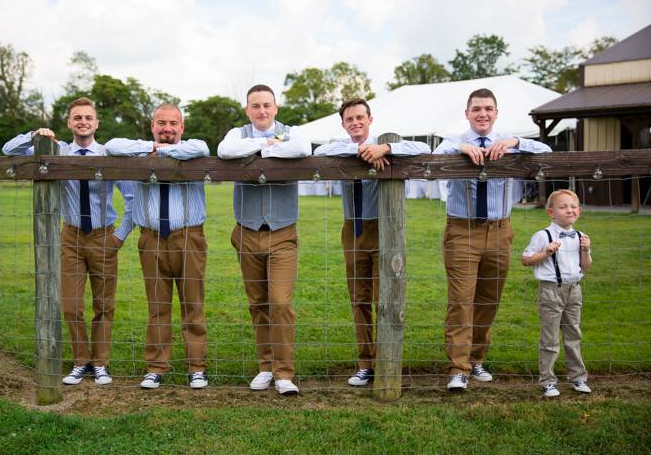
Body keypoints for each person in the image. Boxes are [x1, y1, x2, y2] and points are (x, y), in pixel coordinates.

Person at [2, 97, 134, 386]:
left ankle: (100, 364)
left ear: (96, 123)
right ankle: (80, 361)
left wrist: (119, 237)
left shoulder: (108, 155)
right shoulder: (57, 150)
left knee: (104, 305)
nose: (83, 122)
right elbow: (8, 150)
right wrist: (35, 135)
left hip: (103, 236)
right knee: (71, 305)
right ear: (69, 123)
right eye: (77, 118)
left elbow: (132, 198)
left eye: (88, 117)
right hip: (71, 236)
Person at [433, 88, 552, 392]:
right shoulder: (454, 142)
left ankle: (476, 360)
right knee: (461, 301)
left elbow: (547, 154)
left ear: (496, 113)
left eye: (488, 109)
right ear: (467, 113)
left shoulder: (510, 143)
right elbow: (435, 157)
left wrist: (515, 142)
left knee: (489, 299)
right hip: (462, 231)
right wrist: (461, 148)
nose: (482, 114)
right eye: (476, 109)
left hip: (500, 231)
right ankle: (458, 368)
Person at [314, 98, 430, 386]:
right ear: (343, 124)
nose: (355, 122)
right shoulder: (339, 149)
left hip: (384, 230)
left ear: (370, 119)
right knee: (359, 298)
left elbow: (425, 148)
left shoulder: (386, 144)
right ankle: (366, 362)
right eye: (349, 119)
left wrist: (385, 149)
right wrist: (362, 152)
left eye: (360, 118)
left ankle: (387, 360)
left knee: (386, 297)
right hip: (352, 230)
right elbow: (320, 151)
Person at [106, 104, 210, 390]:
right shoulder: (138, 151)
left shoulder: (192, 149)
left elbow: (202, 147)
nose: (167, 128)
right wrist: (149, 148)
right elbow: (112, 146)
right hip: (150, 238)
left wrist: (163, 152)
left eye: (173, 123)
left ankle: (196, 367)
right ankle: (156, 366)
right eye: (161, 123)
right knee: (157, 306)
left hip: (188, 237)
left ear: (182, 127)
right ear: (152, 126)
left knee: (193, 304)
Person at [217, 84, 312, 395]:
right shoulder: (237, 133)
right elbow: (225, 152)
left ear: (276, 107)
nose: (261, 111)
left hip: (283, 232)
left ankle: (284, 373)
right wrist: (264, 144)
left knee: (280, 303)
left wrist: (265, 149)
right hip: (246, 231)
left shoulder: (292, 131)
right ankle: (265, 366)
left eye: (266, 105)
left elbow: (302, 150)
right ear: (247, 109)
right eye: (255, 106)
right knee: (257, 303)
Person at [521, 189, 593, 397]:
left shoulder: (581, 236)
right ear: (551, 212)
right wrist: (546, 253)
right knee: (550, 338)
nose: (569, 210)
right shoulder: (543, 235)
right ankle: (548, 381)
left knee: (573, 336)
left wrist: (586, 250)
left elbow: (586, 266)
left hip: (574, 291)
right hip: (551, 291)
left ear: (579, 210)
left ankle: (578, 378)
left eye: (573, 207)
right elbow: (525, 260)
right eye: (563, 207)